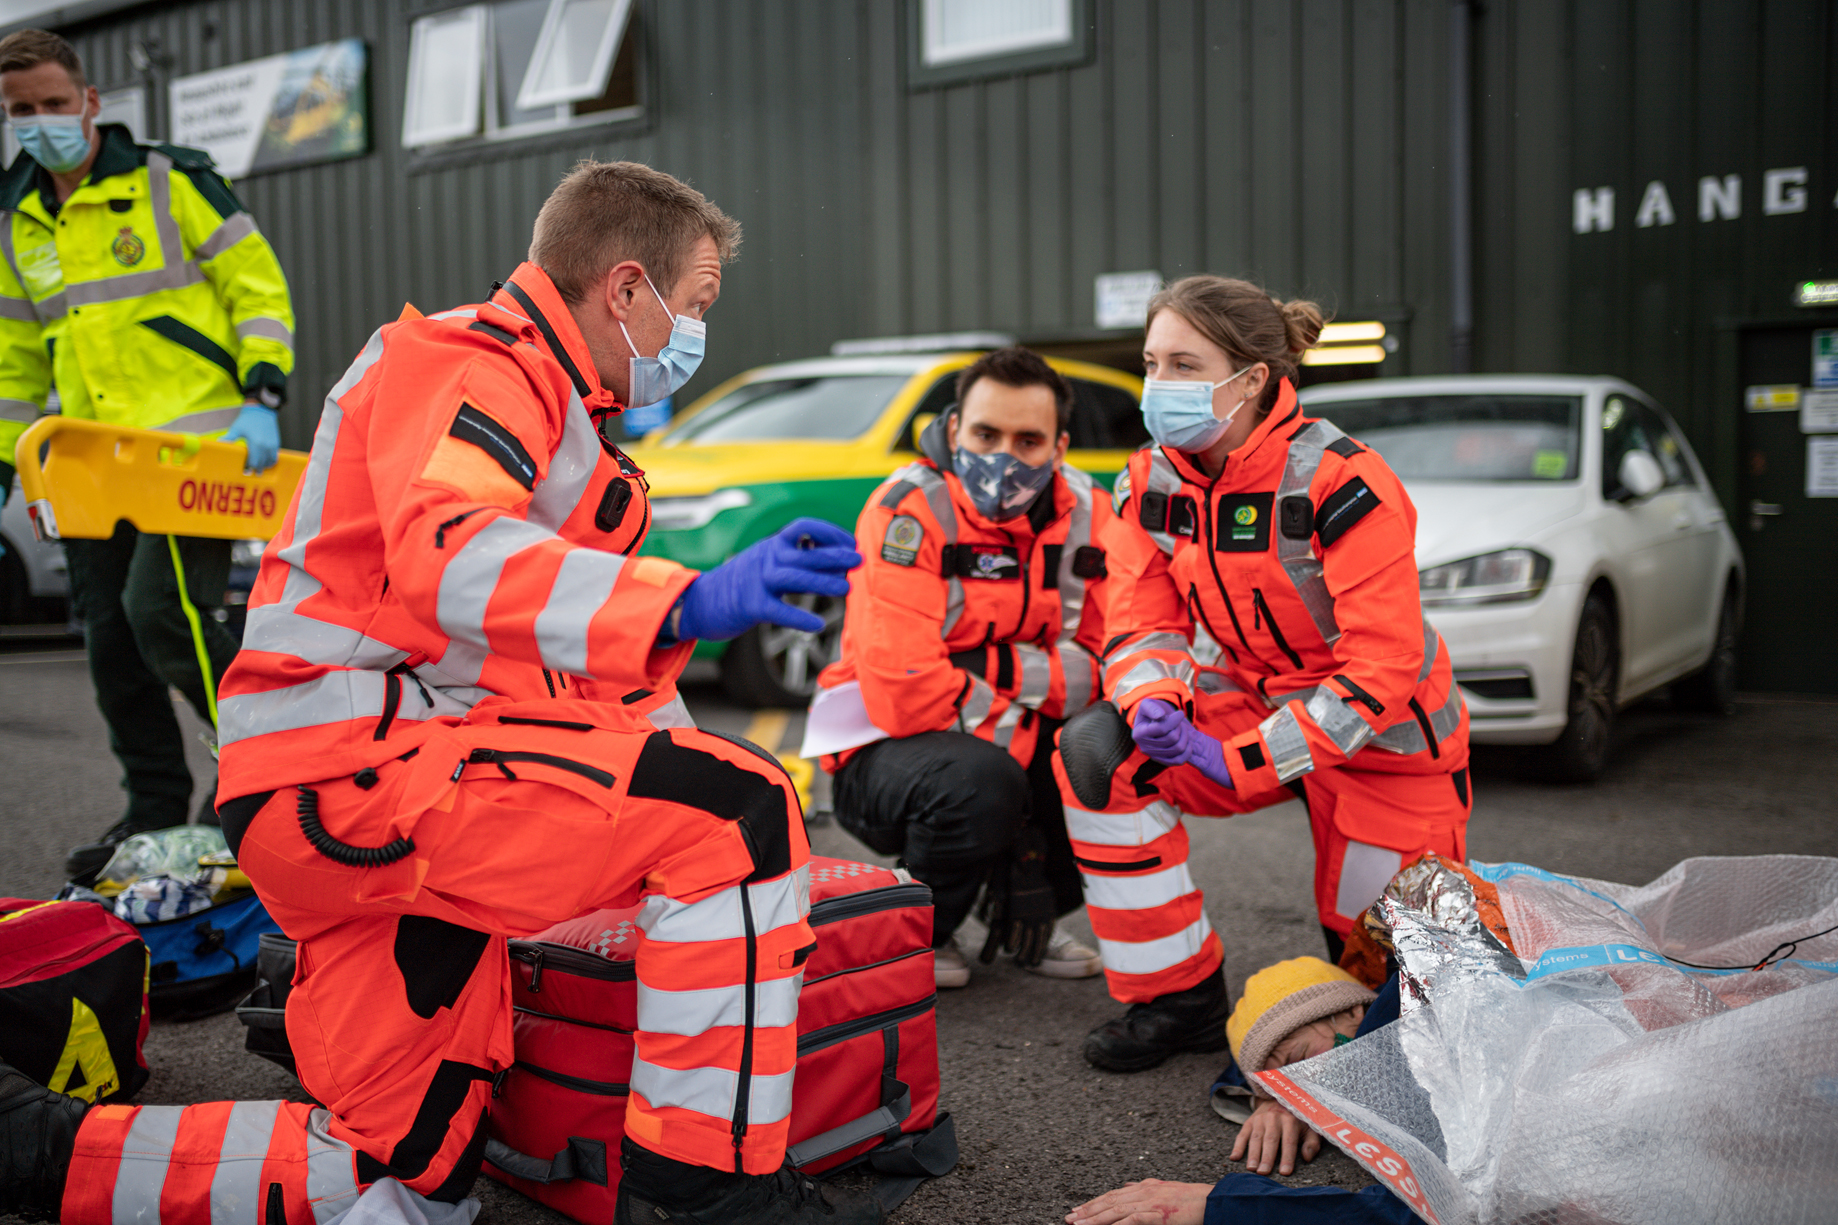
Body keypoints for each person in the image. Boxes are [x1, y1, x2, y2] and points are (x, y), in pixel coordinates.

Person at [0, 160, 884, 1225]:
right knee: (735, 816)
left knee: (406, 1172)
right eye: (693, 305)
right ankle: (707, 1186)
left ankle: (42, 1153)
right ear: (625, 288)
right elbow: (452, 554)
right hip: (367, 778)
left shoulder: (563, 425)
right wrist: (688, 603)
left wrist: (682, 753)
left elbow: (571, 670)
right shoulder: (473, 364)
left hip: (362, 804)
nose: (695, 334)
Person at [1057, 275, 1470, 1072]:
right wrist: (1148, 699)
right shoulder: (1148, 481)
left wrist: (1240, 756)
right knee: (1096, 759)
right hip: (1249, 700)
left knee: (1382, 1001)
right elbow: (1141, 620)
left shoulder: (1343, 480)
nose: (1158, 386)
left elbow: (1382, 664)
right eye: (1152, 363)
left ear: (1251, 378)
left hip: (1383, 739)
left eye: (1184, 364)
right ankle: (1175, 997)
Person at [0, 30, 297, 880]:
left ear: (90, 101)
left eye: (55, 103)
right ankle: (156, 805)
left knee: (161, 616)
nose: (41, 122)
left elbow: (257, 286)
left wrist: (262, 394)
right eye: (22, 110)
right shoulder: (18, 218)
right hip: (89, 466)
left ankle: (258, 773)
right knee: (109, 643)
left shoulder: (170, 180)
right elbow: (16, 361)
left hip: (193, 455)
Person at [812, 347, 1109, 988]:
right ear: (953, 431)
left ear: (1059, 447)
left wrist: (977, 662)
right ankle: (920, 928)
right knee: (989, 781)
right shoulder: (909, 509)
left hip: (984, 730)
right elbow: (905, 691)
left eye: (1027, 440)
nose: (1003, 457)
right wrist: (1026, 824)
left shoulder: (1091, 513)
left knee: (1107, 748)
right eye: (985, 434)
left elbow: (1106, 666)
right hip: (878, 752)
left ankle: (1025, 908)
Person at [1064, 957, 1414, 1225]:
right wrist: (1273, 1099)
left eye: (1303, 1060)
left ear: (1355, 1010)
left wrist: (1226, 1206)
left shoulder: (1410, 1034)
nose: (1307, 1092)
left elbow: (1434, 1213)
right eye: (1288, 1084)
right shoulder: (1380, 1022)